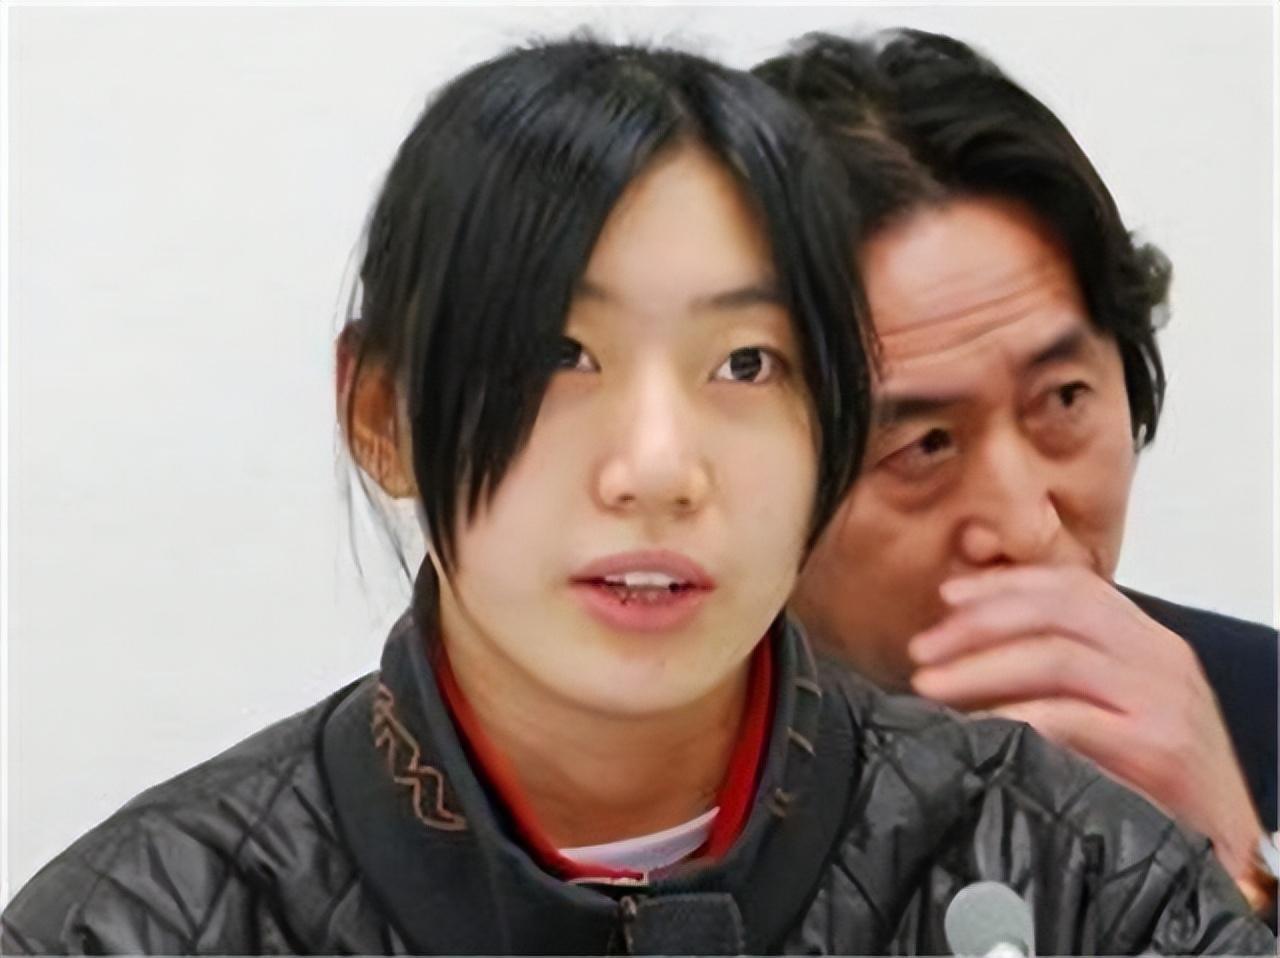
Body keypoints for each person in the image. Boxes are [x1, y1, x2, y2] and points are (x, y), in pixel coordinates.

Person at [2, 36, 1273, 956]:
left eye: (744, 364)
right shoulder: (137, 924)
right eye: (561, 355)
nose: (658, 466)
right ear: (382, 414)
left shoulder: (1096, 876)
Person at [755, 27, 1279, 922]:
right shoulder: (636, 813)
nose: (1027, 526)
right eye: (924, 446)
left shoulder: (1261, 714)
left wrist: (1235, 880)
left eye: (1063, 399)